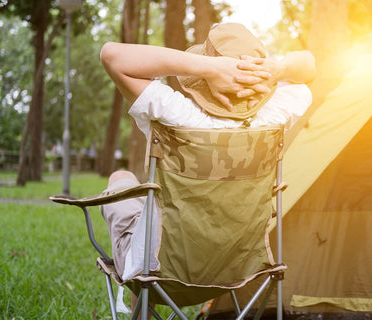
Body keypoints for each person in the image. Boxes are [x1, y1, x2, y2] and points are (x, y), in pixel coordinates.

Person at [99, 23, 316, 312]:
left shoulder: (176, 114)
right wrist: (274, 69)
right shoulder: (277, 114)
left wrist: (210, 68)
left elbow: (111, 55)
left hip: (159, 270)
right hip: (241, 269)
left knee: (122, 178)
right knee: (149, 212)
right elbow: (309, 65)